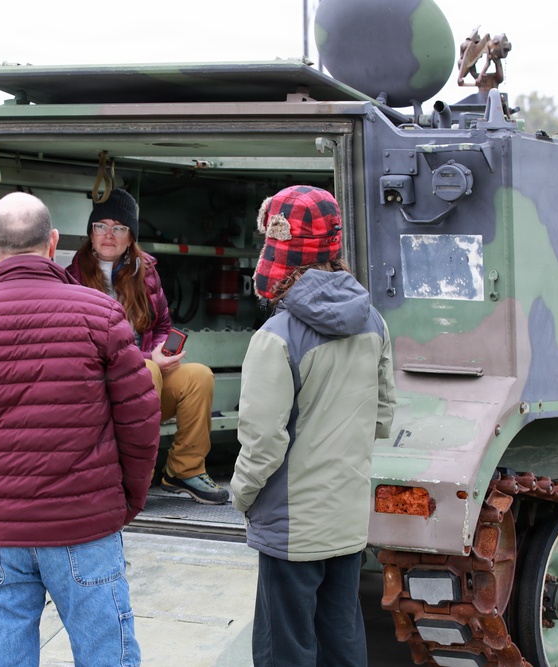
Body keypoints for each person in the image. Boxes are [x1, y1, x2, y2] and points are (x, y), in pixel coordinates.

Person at [0, 191, 160, 666]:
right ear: (52, 244)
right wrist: (125, 502)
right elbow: (140, 423)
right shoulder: (100, 315)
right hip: (86, 526)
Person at [231, 185, 396, 667]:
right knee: (342, 638)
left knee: (286, 649)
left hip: (290, 525)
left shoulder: (275, 337)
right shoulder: (374, 323)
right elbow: (383, 416)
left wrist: (240, 496)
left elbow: (262, 442)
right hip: (345, 518)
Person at [67, 188, 228, 504]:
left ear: (131, 238)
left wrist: (160, 351)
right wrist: (144, 358)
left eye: (119, 228)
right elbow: (78, 344)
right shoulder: (71, 279)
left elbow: (163, 325)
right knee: (149, 369)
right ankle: (128, 477)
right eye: (101, 226)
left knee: (199, 377)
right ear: (91, 233)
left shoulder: (146, 272)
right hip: (95, 394)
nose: (109, 235)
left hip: (143, 383)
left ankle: (184, 471)